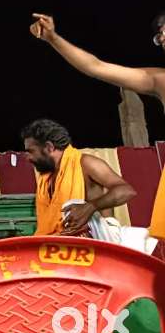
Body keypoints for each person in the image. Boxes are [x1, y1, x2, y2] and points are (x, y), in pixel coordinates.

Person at [30, 12, 165, 236]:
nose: (162, 38)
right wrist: (53, 39)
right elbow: (96, 67)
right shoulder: (160, 80)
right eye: (160, 36)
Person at [20, 119, 136, 236]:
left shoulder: (86, 163)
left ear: (49, 147)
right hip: (58, 242)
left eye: (31, 151)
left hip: (98, 240)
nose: (27, 157)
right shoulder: (46, 178)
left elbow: (126, 191)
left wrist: (91, 207)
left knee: (72, 203)